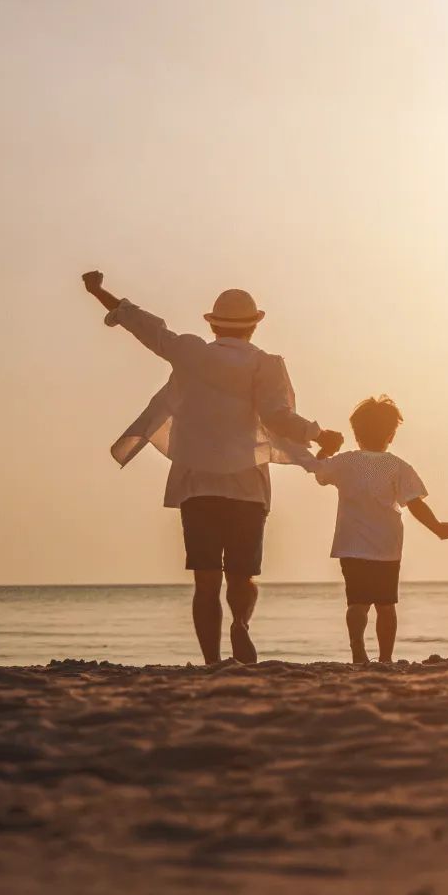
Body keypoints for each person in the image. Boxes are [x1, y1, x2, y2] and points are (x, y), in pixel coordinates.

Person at [83, 271, 339, 666]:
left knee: (206, 579)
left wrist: (100, 291)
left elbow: (143, 324)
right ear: (255, 325)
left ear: (212, 323)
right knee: (242, 576)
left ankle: (212, 662)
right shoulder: (265, 365)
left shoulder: (191, 352)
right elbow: (277, 417)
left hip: (196, 483)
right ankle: (241, 624)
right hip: (246, 486)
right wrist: (317, 434)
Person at [314, 395, 448, 664]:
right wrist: (438, 527)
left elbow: (319, 471)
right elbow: (415, 505)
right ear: (391, 435)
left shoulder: (344, 462)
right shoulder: (398, 467)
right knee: (386, 605)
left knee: (357, 602)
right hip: (386, 548)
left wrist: (325, 451)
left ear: (356, 434)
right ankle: (385, 658)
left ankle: (358, 648)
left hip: (351, 545)